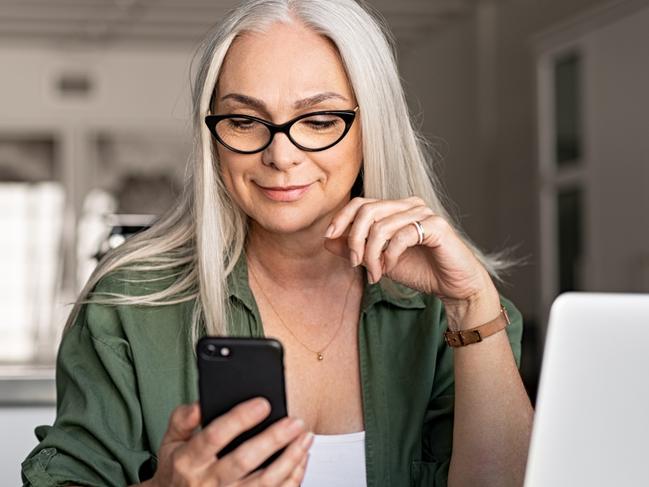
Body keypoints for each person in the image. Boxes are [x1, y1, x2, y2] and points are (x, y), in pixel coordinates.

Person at [21, 0, 534, 486]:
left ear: (371, 127)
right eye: (244, 121)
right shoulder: (128, 304)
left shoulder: (451, 311)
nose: (281, 155)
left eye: (319, 120)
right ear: (211, 136)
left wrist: (471, 304)